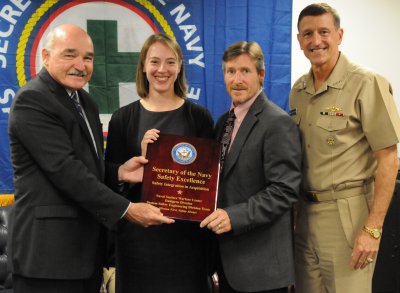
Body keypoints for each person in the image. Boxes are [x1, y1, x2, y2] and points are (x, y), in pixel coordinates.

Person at [7, 24, 173, 293]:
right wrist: (128, 209)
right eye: (70, 55)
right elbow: (66, 171)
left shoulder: (85, 102)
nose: (81, 65)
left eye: (88, 57)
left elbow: (87, 167)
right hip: (48, 259)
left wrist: (119, 172)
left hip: (84, 255)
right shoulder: (33, 100)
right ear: (46, 57)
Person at [290, 3, 400, 293]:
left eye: (324, 32)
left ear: (339, 35)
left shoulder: (367, 83)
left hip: (347, 216)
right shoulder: (298, 90)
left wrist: (372, 229)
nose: (316, 41)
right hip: (304, 213)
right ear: (299, 40)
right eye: (308, 33)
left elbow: (389, 159)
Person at [104, 32, 215, 293]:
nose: (162, 70)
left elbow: (209, 187)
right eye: (154, 62)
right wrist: (142, 164)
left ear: (179, 68)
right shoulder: (122, 119)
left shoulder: (199, 117)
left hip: (187, 245)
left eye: (170, 62)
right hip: (137, 246)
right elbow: (111, 184)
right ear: (143, 66)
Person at [200, 41, 302, 293]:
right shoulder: (224, 121)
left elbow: (284, 190)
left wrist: (234, 216)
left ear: (261, 74)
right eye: (230, 71)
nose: (237, 79)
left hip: (262, 269)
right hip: (227, 262)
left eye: (245, 71)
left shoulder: (277, 122)